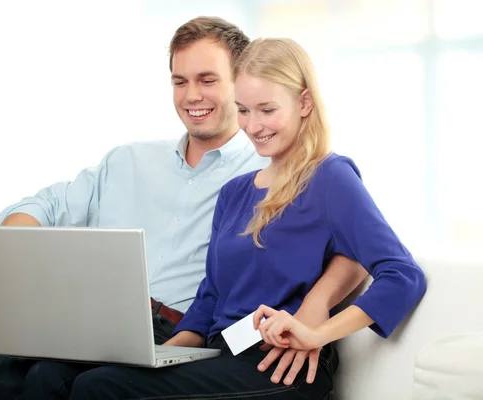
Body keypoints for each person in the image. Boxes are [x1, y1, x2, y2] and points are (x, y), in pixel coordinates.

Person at [0, 17, 367, 400]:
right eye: (180, 81)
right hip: (98, 321)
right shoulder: (128, 160)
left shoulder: (271, 167)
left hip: (179, 326)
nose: (192, 96)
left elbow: (356, 243)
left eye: (208, 80)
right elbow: (44, 205)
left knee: (61, 380)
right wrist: (4, 260)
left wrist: (317, 307)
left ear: (242, 84)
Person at [42, 37, 427, 400]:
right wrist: (158, 355)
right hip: (221, 352)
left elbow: (402, 274)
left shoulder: (329, 176)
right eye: (243, 110)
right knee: (57, 377)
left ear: (304, 103)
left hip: (278, 364)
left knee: (101, 389)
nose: (253, 126)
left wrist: (317, 333)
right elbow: (210, 296)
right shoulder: (236, 192)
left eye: (267, 110)